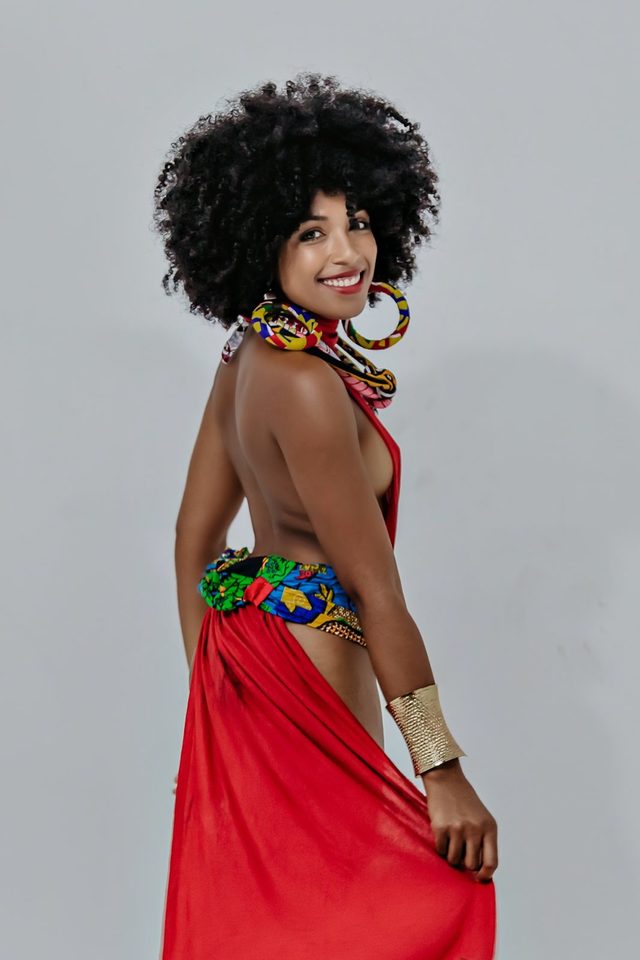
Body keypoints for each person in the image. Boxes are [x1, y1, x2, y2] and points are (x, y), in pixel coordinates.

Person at [152, 72, 498, 959]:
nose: (348, 252)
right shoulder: (304, 385)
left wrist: (210, 704)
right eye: (311, 232)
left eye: (359, 222)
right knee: (344, 917)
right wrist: (441, 768)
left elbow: (192, 542)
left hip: (243, 666)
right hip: (311, 676)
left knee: (279, 921)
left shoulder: (247, 356)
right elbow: (375, 590)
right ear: (257, 240)